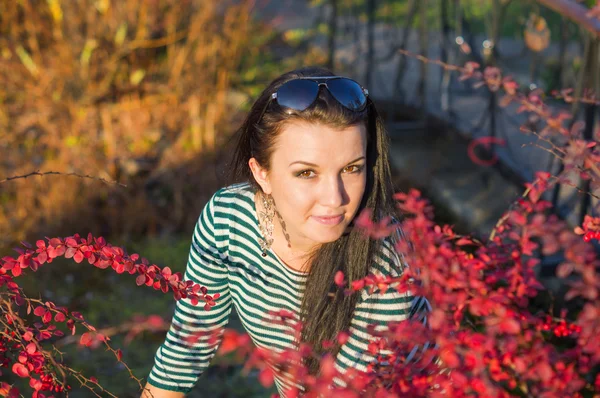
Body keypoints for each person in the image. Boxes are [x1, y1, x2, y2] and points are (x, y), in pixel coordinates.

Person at [141, 66, 431, 397]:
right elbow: (188, 344)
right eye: (307, 173)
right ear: (261, 173)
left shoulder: (385, 254)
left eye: (352, 168)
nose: (335, 199)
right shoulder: (228, 221)